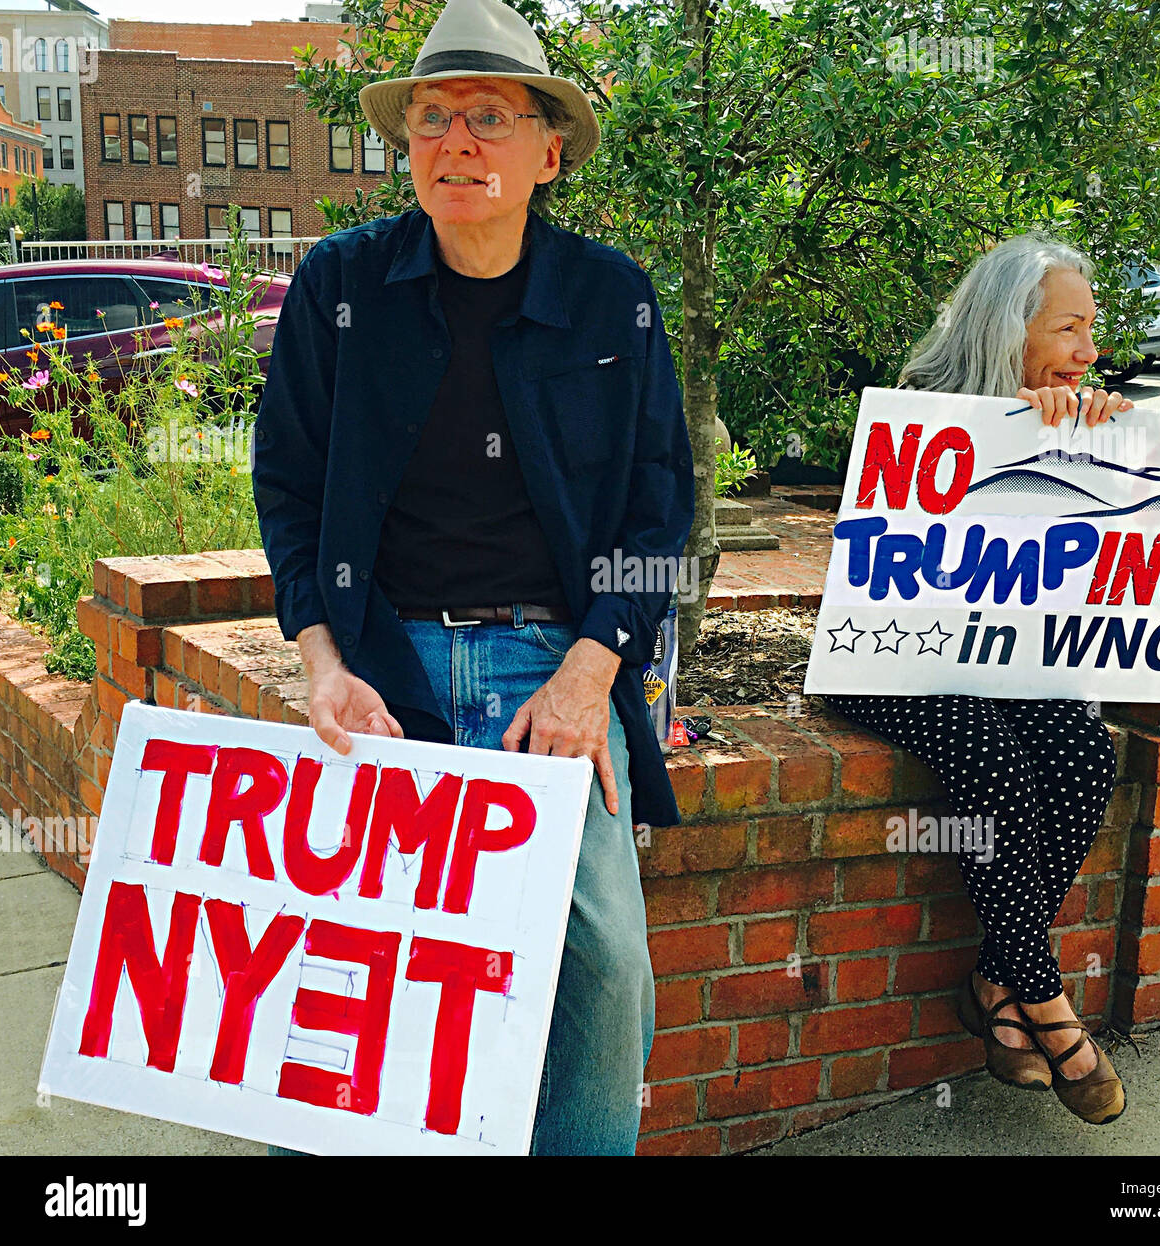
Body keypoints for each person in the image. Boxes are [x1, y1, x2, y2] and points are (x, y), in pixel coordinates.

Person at [252, 0, 693, 1155]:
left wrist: (592, 674)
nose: (457, 142)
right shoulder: (339, 288)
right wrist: (323, 661)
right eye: (434, 117)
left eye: (488, 117)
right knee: (346, 976)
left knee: (604, 981)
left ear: (548, 151)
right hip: (381, 667)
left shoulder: (611, 299)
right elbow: (289, 490)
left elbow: (661, 511)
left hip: (550, 672)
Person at [821, 233, 1130, 1125]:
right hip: (893, 658)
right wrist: (1009, 436)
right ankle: (1046, 1004)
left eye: (1091, 329)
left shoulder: (1079, 415)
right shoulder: (922, 412)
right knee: (989, 761)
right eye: (1069, 329)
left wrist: (1093, 450)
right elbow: (895, 562)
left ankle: (997, 979)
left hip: (1002, 661)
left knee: (1080, 751)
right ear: (1009, 331)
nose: (1088, 350)